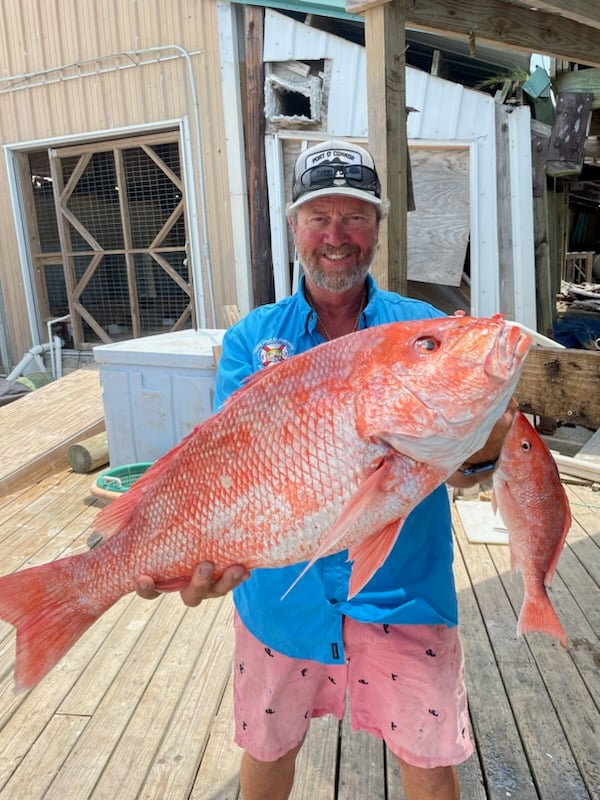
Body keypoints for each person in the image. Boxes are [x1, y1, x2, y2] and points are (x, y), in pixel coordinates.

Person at [137, 140, 514, 800]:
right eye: (319, 217)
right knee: (266, 750)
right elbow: (221, 463)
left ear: (378, 227)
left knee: (429, 760)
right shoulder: (254, 339)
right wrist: (194, 549)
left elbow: (466, 464)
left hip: (404, 599)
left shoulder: (421, 325)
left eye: (356, 217)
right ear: (295, 228)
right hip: (279, 603)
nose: (336, 236)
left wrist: (489, 436)